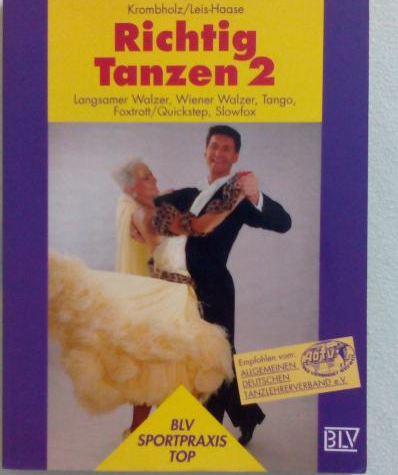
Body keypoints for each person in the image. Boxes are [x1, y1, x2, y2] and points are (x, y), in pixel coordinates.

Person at [48, 158, 244, 436]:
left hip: (175, 290)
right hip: (170, 293)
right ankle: (148, 430)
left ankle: (144, 429)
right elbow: (199, 227)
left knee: (160, 363)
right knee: (166, 361)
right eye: (146, 178)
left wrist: (165, 198)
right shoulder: (150, 216)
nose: (155, 180)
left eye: (152, 175)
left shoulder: (150, 210)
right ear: (131, 189)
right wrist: (234, 196)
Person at [153, 126, 291, 445]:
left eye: (226, 148)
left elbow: (284, 223)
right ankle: (247, 415)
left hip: (214, 287)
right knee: (199, 354)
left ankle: (208, 427)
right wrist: (151, 205)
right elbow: (148, 207)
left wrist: (257, 196)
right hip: (179, 289)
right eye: (214, 146)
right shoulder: (187, 194)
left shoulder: (237, 197)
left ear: (236, 156)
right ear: (205, 151)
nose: (219, 152)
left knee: (216, 356)